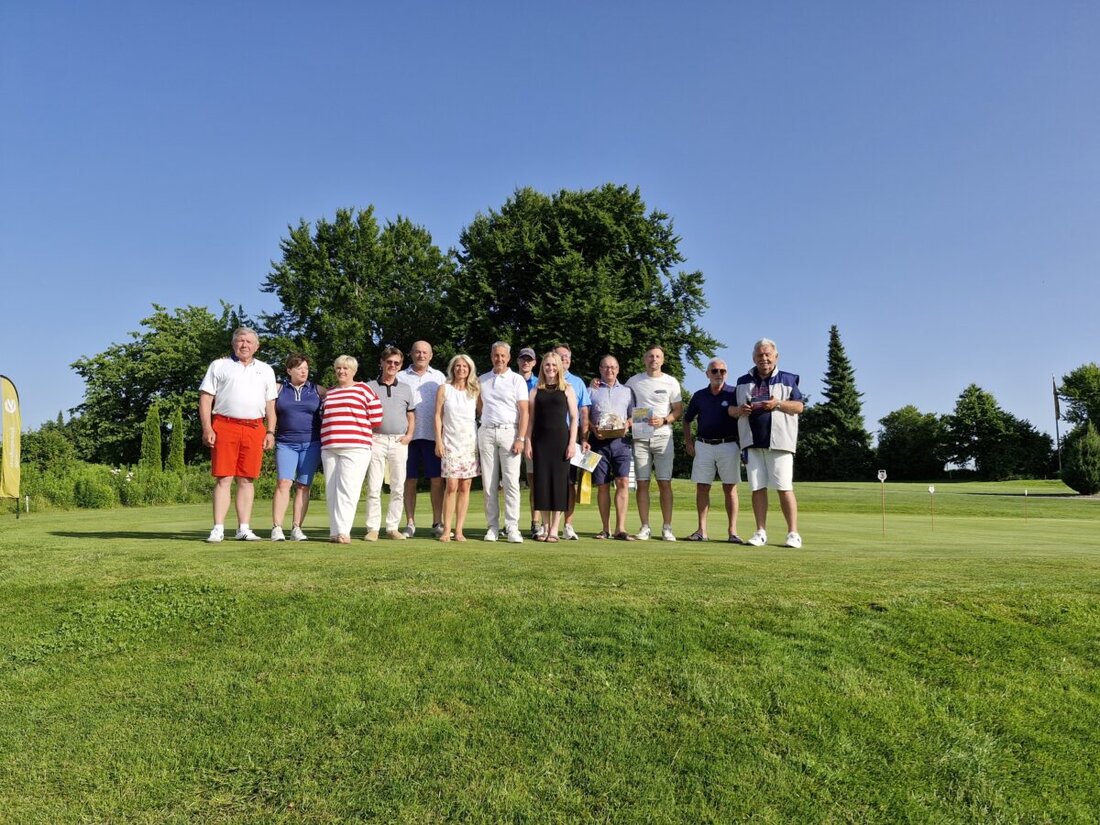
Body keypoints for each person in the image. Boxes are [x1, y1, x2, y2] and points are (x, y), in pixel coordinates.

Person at [198, 327, 278, 543]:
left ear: (257, 346)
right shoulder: (219, 365)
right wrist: (207, 427)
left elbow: (270, 405)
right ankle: (218, 528)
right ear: (233, 344)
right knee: (224, 477)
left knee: (247, 479)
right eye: (240, 341)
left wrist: (270, 431)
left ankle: (244, 528)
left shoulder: (266, 370)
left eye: (249, 341)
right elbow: (206, 398)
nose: (244, 345)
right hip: (225, 425)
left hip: (254, 428)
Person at [729, 338, 804, 548]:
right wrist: (740, 410)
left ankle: (793, 533)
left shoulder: (788, 379)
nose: (764, 359)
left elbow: (799, 407)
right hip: (751, 443)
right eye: (760, 355)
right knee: (757, 488)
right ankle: (760, 532)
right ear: (754, 358)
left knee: (784, 487)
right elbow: (733, 411)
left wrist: (777, 403)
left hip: (780, 443)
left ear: (775, 357)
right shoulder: (743, 380)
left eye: (767, 355)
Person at [321, 355, 383, 544]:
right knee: (331, 490)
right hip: (330, 446)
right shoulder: (329, 392)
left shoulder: (364, 389)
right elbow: (323, 416)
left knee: (348, 490)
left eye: (346, 368)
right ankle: (334, 531)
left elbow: (376, 418)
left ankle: (343, 532)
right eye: (339, 368)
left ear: (354, 371)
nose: (342, 371)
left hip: (355, 446)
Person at [625, 345, 683, 541]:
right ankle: (645, 527)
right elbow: (622, 400)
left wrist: (665, 420)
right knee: (642, 483)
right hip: (640, 437)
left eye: (658, 356)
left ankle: (667, 527)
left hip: (663, 437)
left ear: (663, 360)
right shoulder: (634, 381)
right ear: (644, 359)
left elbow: (677, 410)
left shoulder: (671, 382)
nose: (654, 359)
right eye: (650, 356)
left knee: (664, 482)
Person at [683, 358, 741, 543]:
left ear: (727, 373)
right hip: (703, 445)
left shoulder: (735, 393)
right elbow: (687, 419)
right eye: (714, 371)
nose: (718, 374)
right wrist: (688, 442)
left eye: (722, 371)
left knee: (730, 488)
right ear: (707, 374)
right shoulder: (699, 395)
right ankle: (702, 531)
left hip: (729, 445)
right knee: (702, 487)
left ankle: (732, 532)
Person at [477, 342, 530, 543]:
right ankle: (492, 527)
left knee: (511, 483)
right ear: (491, 356)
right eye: (496, 355)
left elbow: (524, 411)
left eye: (503, 356)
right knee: (489, 483)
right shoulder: (483, 379)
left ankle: (512, 527)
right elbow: (480, 407)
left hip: (510, 432)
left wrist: (521, 438)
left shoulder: (517, 380)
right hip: (487, 432)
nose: (499, 359)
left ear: (508, 357)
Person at [270, 353, 325, 542]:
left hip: (312, 444)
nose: (304, 371)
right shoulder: (278, 389)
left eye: (306, 368)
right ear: (289, 370)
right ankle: (277, 528)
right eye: (299, 368)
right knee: (284, 483)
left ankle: (297, 528)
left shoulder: (318, 390)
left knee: (303, 486)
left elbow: (339, 396)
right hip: (286, 443)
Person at [524, 351, 578, 542]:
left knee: (559, 484)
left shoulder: (567, 389)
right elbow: (530, 420)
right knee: (542, 484)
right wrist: (528, 442)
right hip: (540, 442)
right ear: (542, 367)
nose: (551, 368)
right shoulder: (535, 391)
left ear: (560, 367)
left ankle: (555, 528)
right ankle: (545, 528)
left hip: (561, 441)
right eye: (547, 365)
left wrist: (572, 443)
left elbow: (574, 418)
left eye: (554, 365)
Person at [364, 346, 416, 541]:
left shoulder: (405, 388)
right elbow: (363, 415)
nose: (392, 366)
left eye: (396, 363)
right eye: (389, 362)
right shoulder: (369, 387)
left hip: (398, 440)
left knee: (398, 486)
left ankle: (392, 527)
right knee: (374, 486)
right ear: (382, 363)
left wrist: (409, 435)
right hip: (375, 439)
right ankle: (373, 528)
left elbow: (411, 415)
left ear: (400, 365)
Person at [398, 340, 447, 538]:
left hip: (432, 436)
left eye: (425, 352)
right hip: (407, 437)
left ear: (431, 355)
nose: (421, 355)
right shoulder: (401, 376)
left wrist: (442, 436)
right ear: (411, 354)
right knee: (409, 480)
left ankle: (437, 521)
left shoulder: (439, 377)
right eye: (417, 352)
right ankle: (410, 522)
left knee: (436, 480)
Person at [588, 355, 635, 540]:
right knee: (602, 485)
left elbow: (634, 416)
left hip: (621, 443)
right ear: (600, 369)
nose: (610, 370)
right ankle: (605, 529)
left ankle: (620, 529)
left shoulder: (627, 392)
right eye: (606, 367)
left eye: (613, 367)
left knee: (623, 482)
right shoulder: (591, 390)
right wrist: (593, 429)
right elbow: (587, 417)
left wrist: (627, 425)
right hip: (599, 442)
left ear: (618, 369)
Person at [435, 354, 480, 542]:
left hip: (469, 442)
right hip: (450, 442)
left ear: (470, 370)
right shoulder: (444, 389)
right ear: (452, 368)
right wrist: (438, 440)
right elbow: (437, 415)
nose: (461, 369)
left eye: (465, 366)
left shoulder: (475, 390)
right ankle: (447, 530)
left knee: (465, 485)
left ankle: (459, 530)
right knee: (451, 485)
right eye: (458, 366)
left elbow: (484, 412)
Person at [554, 344, 591, 540]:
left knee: (569, 482)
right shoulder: (545, 380)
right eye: (561, 356)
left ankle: (568, 525)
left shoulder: (577, 383)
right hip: (549, 437)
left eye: (567, 357)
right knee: (550, 481)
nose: (564, 360)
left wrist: (584, 438)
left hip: (571, 436)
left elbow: (584, 412)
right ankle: (548, 525)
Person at [516, 347, 540, 537]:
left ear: (534, 362)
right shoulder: (511, 380)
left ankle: (535, 522)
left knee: (535, 482)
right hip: (511, 434)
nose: (526, 362)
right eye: (523, 359)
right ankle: (510, 523)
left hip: (533, 437)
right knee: (510, 482)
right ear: (517, 361)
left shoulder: (539, 383)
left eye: (529, 360)